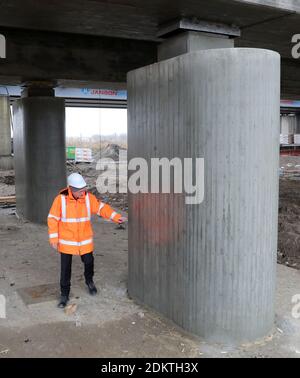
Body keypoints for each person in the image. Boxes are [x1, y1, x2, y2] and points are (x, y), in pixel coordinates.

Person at [47, 173, 126, 308]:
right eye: (79, 190)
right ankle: (64, 294)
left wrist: (116, 217)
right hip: (67, 241)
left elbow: (102, 208)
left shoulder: (88, 198)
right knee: (65, 268)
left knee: (89, 262)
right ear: (70, 189)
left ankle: (89, 281)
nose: (82, 193)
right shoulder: (60, 200)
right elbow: (52, 218)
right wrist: (54, 238)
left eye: (83, 189)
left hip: (84, 240)